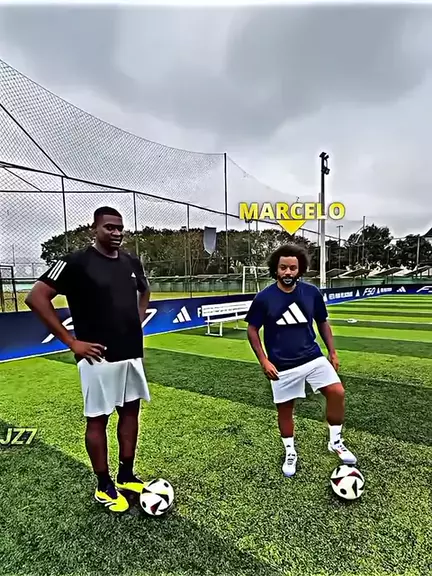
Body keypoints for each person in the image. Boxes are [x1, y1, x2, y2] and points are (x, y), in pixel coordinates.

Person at [25, 206, 151, 513]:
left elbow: (144, 290)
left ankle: (126, 475)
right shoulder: (74, 262)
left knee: (130, 413)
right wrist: (71, 342)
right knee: (98, 419)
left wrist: (136, 321)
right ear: (94, 229)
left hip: (130, 352)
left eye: (120, 227)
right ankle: (103, 486)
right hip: (97, 356)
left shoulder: (131, 261)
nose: (117, 232)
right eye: (110, 227)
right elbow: (35, 297)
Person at [245, 243, 356, 477]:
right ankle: (290, 452)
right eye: (283, 267)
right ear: (276, 269)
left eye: (292, 268)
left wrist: (332, 352)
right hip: (282, 364)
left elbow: (322, 322)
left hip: (312, 357)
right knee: (286, 410)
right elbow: (252, 330)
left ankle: (335, 441)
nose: (288, 272)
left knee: (337, 392)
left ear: (300, 270)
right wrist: (264, 361)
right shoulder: (264, 298)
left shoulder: (311, 293)